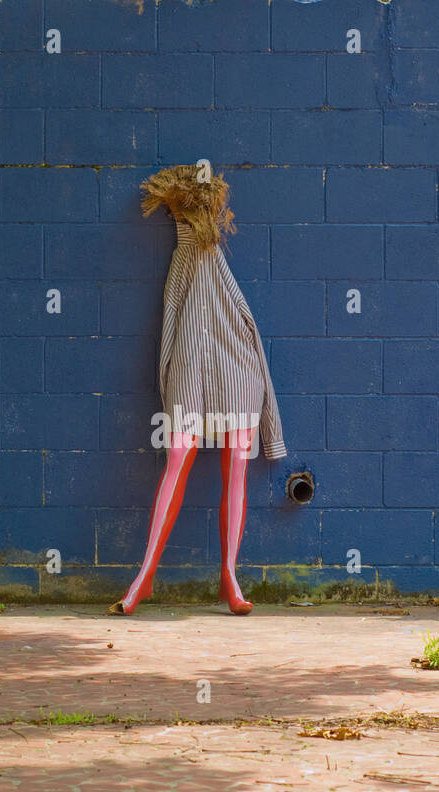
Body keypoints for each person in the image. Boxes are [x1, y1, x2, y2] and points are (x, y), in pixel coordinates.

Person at [109, 165, 287, 616]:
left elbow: (249, 331)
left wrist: (270, 424)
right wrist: (169, 383)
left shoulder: (218, 267)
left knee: (236, 465)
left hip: (237, 376)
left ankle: (229, 575)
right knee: (178, 457)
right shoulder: (184, 262)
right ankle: (144, 575)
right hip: (192, 377)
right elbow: (170, 326)